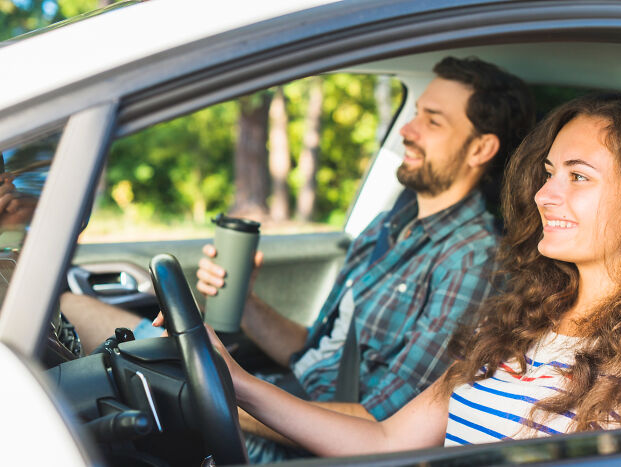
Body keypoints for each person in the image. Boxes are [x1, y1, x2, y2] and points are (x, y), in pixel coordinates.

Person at [63, 56, 535, 461]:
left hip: (299, 442)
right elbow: (314, 350)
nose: (407, 131)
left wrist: (230, 396)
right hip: (283, 394)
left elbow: (383, 422)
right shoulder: (390, 224)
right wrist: (245, 302)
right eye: (415, 113)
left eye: (433, 120)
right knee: (73, 312)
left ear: (480, 148)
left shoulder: (473, 261)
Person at [201, 91, 621, 456]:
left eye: (578, 176)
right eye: (548, 173)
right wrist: (239, 384)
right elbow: (385, 439)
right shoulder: (517, 322)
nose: (544, 195)